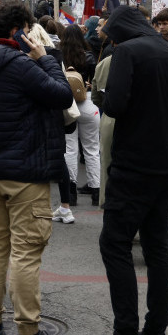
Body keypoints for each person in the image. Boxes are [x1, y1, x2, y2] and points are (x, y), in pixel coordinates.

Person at [0, 2, 74, 335]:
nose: (30, 34)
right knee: (27, 252)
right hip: (25, 171)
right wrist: (45, 58)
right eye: (27, 29)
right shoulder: (19, 64)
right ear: (17, 30)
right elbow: (61, 95)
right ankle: (28, 325)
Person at [95, 5, 168, 335]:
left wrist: (104, 95)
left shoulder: (128, 52)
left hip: (133, 162)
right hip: (166, 162)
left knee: (114, 244)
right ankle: (155, 327)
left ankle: (126, 327)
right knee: (157, 246)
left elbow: (116, 105)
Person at [60, 24, 102, 216]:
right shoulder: (89, 56)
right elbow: (96, 83)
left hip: (68, 105)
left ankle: (71, 192)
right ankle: (96, 191)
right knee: (92, 149)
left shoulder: (60, 57)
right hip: (87, 103)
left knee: (70, 149)